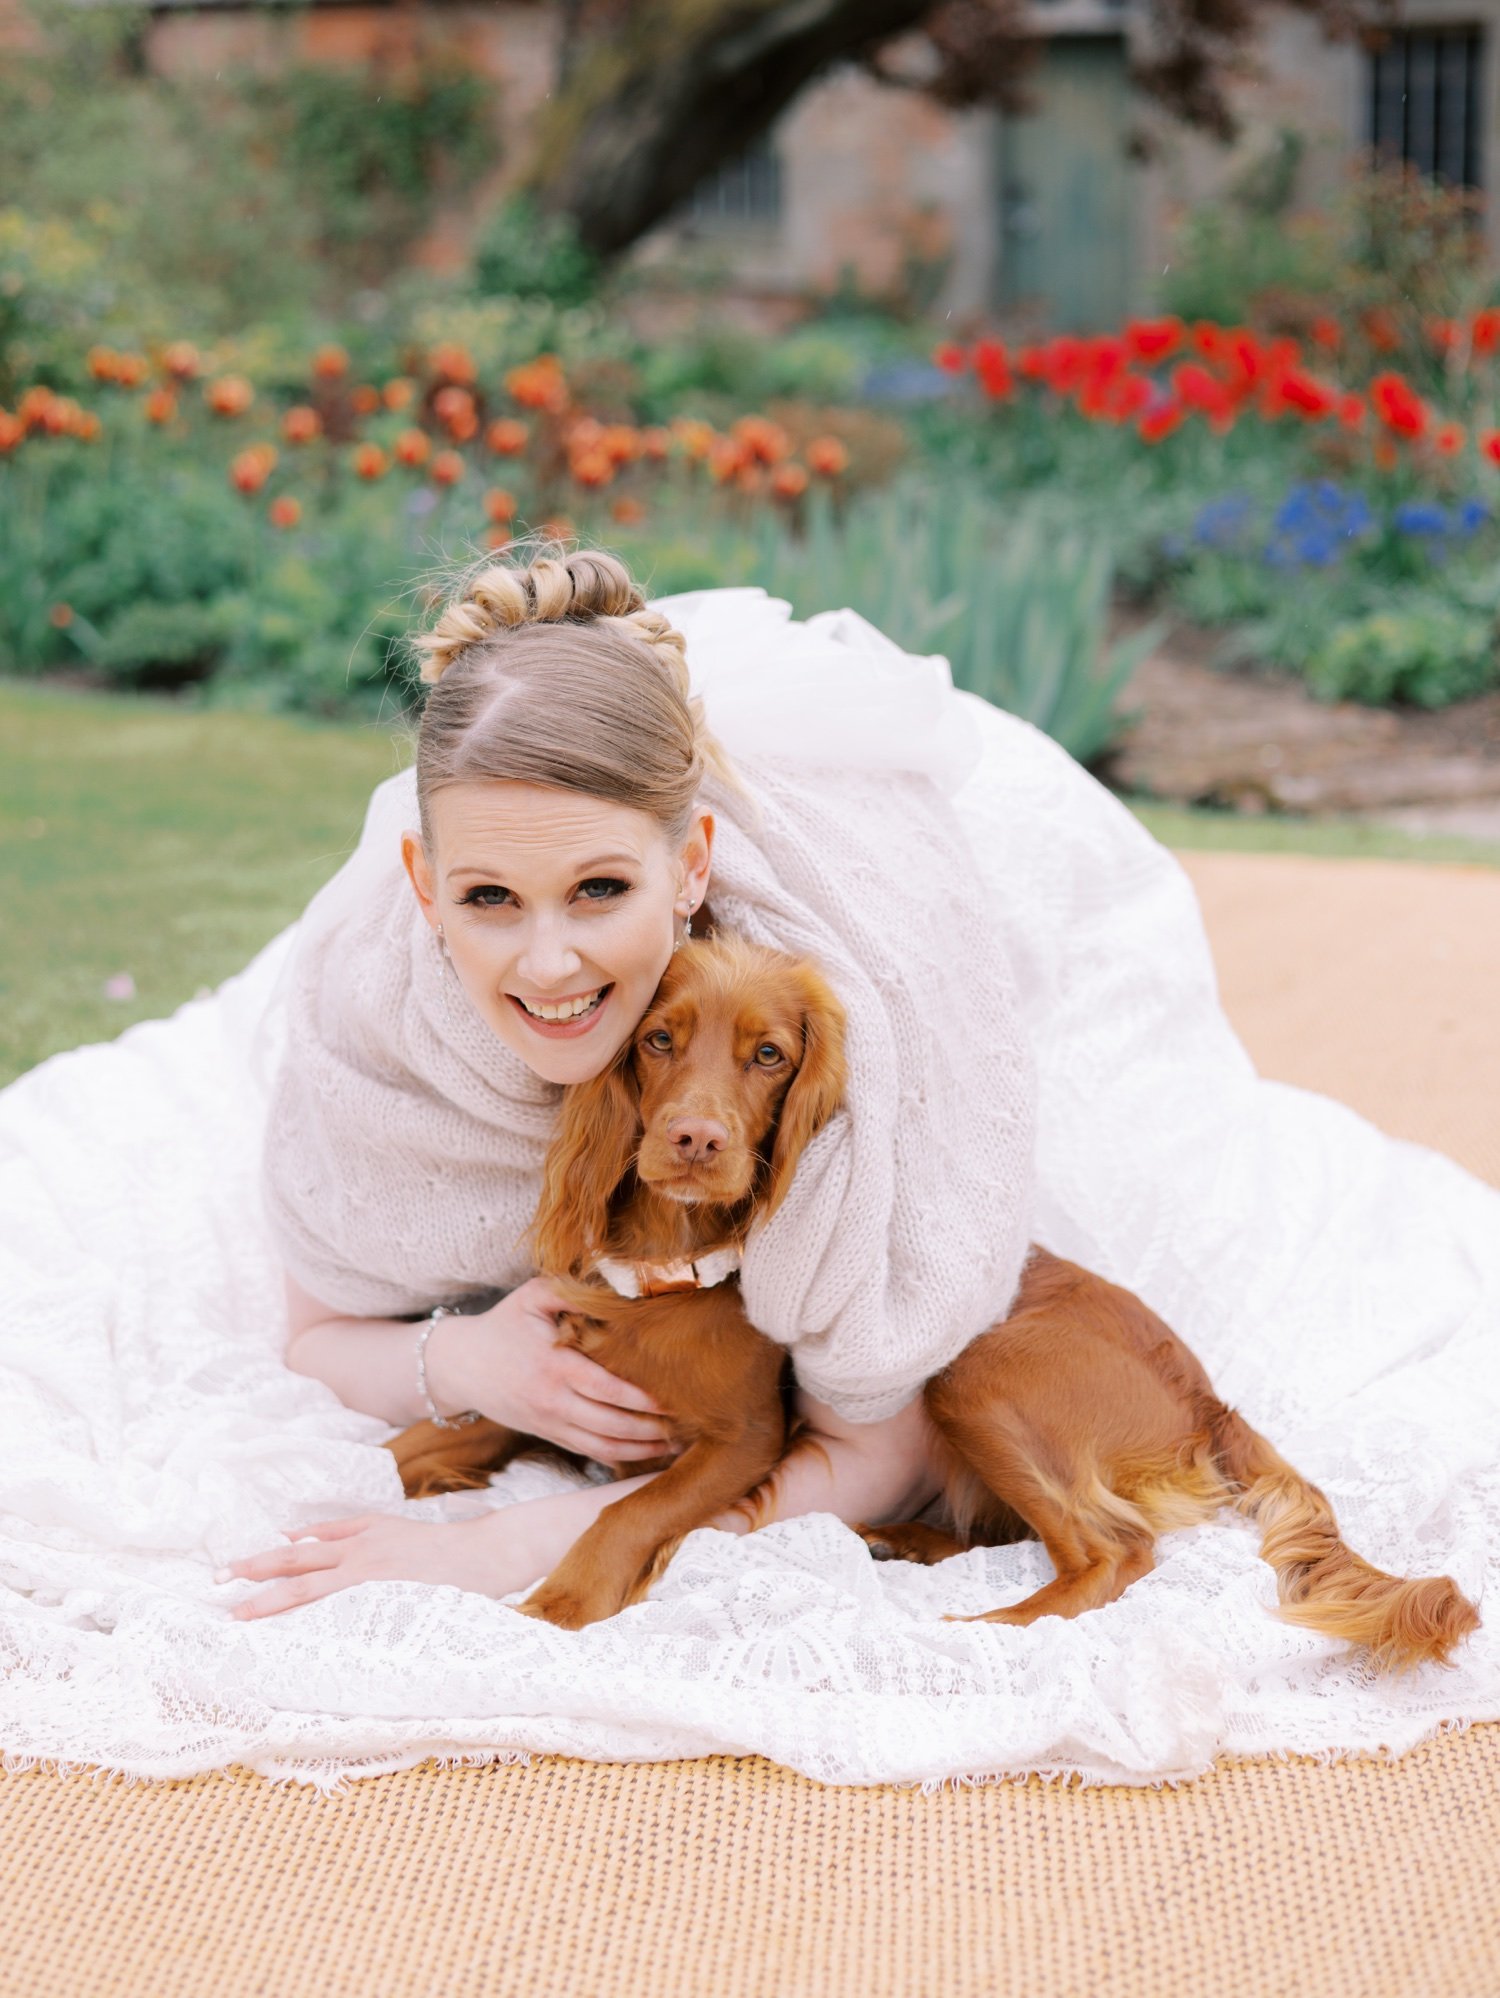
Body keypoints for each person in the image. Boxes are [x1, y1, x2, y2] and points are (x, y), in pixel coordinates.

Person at [223, 545, 1038, 1620]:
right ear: (422, 882)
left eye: (599, 888)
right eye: (489, 899)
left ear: (693, 866)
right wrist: (467, 1360)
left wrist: (503, 1543)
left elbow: (875, 1456)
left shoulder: (837, 1022)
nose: (548, 964)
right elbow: (316, 1336)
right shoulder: (373, 1012)